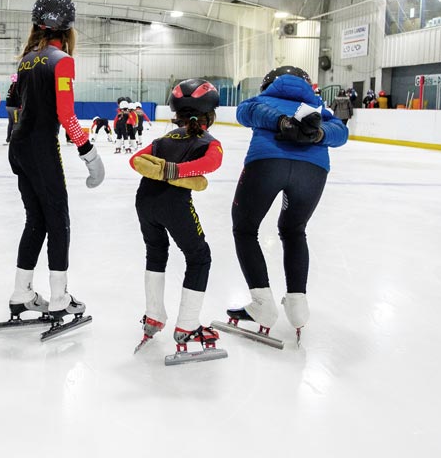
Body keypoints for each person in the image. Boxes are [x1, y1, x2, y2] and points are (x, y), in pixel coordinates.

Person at [1, 0, 105, 340]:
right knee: (58, 220)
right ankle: (59, 299)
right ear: (69, 29)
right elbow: (67, 115)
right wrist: (90, 154)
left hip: (19, 147)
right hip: (41, 150)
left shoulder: (26, 60)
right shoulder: (62, 60)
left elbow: (12, 106)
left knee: (36, 220)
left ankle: (22, 292)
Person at [226, 65, 348, 344]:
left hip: (267, 164)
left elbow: (246, 113)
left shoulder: (261, 100)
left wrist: (281, 123)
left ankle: (262, 304)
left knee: (245, 229)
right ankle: (297, 306)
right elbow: (340, 131)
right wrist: (317, 133)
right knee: (294, 231)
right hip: (313, 171)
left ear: (268, 84)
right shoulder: (317, 106)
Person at [129, 79, 225, 361]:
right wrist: (178, 172)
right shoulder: (210, 142)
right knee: (199, 257)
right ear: (211, 114)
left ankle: (154, 316)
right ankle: (187, 325)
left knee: (156, 253)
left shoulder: (163, 139)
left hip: (144, 201)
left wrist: (162, 168)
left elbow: (136, 160)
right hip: (174, 205)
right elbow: (212, 164)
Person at [5, 73, 19, 143]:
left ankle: (8, 138)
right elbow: (17, 98)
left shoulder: (11, 86)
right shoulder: (17, 86)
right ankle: (14, 139)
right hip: (14, 108)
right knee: (16, 122)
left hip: (8, 106)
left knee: (10, 123)